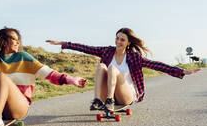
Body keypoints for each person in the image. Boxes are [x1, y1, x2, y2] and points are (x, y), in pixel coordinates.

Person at [46, 28, 200, 112]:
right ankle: (98, 100)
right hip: (107, 92)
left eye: (122, 39)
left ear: (127, 42)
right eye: (117, 38)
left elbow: (157, 65)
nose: (118, 41)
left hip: (126, 94)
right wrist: (64, 44)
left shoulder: (134, 57)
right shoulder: (107, 51)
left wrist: (181, 71)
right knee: (102, 66)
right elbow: (86, 48)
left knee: (112, 69)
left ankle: (110, 101)